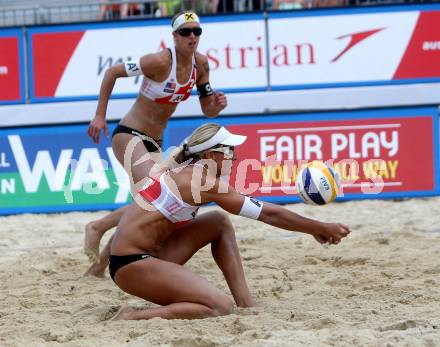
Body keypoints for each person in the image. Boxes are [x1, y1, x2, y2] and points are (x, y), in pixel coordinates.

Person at [99, 123, 351, 320]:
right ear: (210, 153)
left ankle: (247, 302)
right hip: (131, 264)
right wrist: (319, 227)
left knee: (218, 222)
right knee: (218, 305)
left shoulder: (189, 173)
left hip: (144, 256)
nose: (236, 156)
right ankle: (132, 317)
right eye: (230, 150)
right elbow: (267, 213)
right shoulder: (200, 181)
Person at [85, 11, 227, 274]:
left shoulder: (201, 65)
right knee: (152, 195)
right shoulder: (160, 61)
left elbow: (207, 109)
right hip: (129, 132)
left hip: (154, 141)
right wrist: (99, 116)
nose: (192, 36)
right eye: (186, 32)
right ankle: (99, 226)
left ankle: (98, 268)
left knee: (150, 200)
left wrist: (216, 106)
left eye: (197, 31)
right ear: (174, 37)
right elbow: (112, 72)